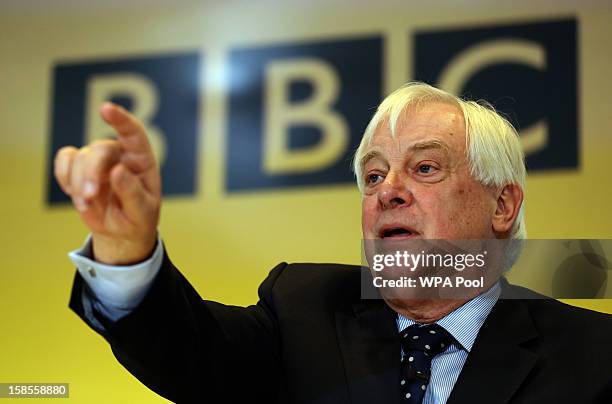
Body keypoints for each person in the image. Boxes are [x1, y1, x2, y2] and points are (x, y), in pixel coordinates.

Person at [56, 83, 612, 403]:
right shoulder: (305, 308)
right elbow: (185, 348)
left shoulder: (594, 356)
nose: (388, 191)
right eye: (373, 176)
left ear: (502, 205)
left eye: (423, 168)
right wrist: (126, 250)